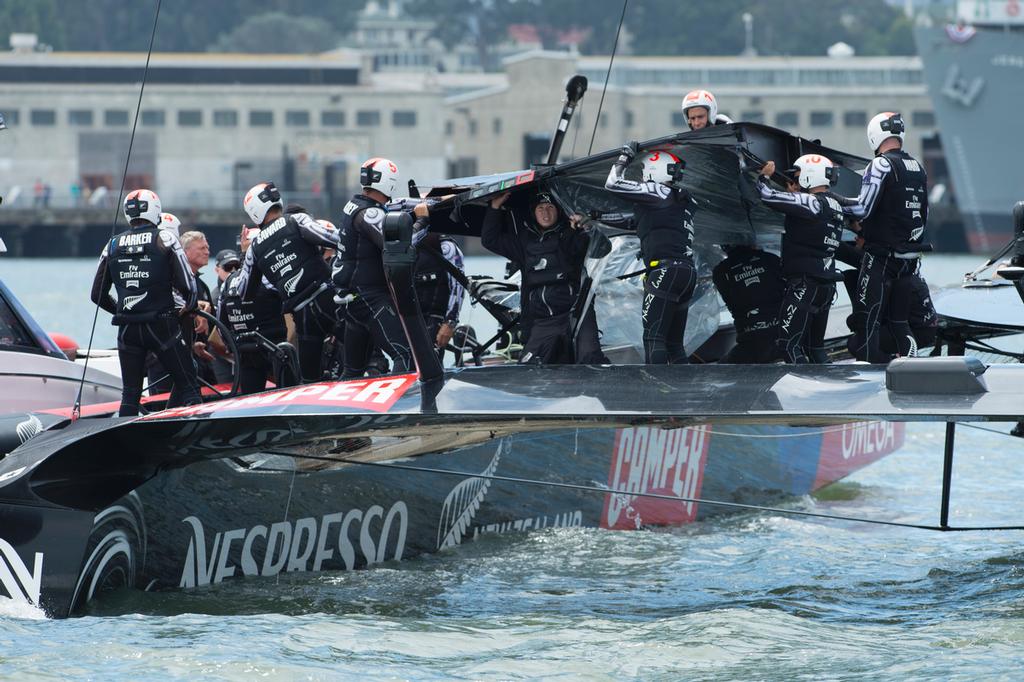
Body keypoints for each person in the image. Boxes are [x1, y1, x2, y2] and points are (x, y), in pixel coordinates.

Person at [90, 189, 201, 416]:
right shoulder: (165, 238)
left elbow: (97, 294)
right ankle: (196, 442)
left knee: (130, 395)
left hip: (127, 330)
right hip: (162, 326)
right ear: (156, 210)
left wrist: (125, 310)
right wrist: (183, 312)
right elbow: (189, 289)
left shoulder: (112, 244)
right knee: (189, 387)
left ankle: (125, 446)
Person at [842, 112, 929, 363]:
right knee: (900, 323)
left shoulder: (880, 164)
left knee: (866, 326)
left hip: (881, 260)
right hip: (908, 260)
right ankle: (907, 369)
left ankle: (873, 384)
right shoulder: (918, 167)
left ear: (874, 135)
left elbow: (862, 209)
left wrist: (830, 203)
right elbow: (924, 214)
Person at [235, 181, 340, 382]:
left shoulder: (254, 249)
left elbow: (244, 292)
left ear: (254, 211)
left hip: (303, 317)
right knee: (362, 350)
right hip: (329, 300)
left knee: (310, 380)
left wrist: (244, 253)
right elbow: (335, 238)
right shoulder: (296, 220)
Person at [482, 191, 600, 364]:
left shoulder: (570, 234)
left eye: (551, 207)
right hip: (543, 321)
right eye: (541, 208)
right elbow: (490, 240)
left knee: (590, 360)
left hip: (575, 315)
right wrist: (494, 207)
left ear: (558, 211)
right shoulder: (524, 242)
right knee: (529, 369)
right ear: (533, 212)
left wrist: (585, 228)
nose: (546, 213)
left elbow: (597, 246)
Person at [605, 143, 697, 364]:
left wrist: (624, 156)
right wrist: (595, 216)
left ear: (652, 170)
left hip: (664, 272)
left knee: (654, 338)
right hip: (686, 273)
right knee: (675, 345)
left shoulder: (658, 190)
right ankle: (686, 392)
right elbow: (639, 222)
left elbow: (612, 183)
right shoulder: (681, 199)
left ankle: (657, 395)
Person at [333, 157, 424, 378]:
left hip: (351, 298)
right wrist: (423, 220)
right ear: (389, 182)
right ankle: (402, 408)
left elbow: (388, 222)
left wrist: (411, 214)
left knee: (353, 370)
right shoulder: (369, 213)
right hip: (368, 297)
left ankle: (341, 411)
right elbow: (398, 246)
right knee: (405, 354)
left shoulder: (355, 205)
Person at [756, 156, 845, 364]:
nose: (794, 182)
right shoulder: (835, 205)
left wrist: (764, 176)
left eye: (797, 176)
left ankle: (800, 394)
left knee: (789, 346)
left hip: (804, 285)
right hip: (826, 286)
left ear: (808, 175)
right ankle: (824, 391)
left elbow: (766, 195)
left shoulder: (810, 201)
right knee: (815, 349)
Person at [217, 226, 294, 394]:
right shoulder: (271, 276)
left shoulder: (228, 282)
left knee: (250, 399)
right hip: (275, 350)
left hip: (245, 353)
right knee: (288, 395)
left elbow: (221, 324)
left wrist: (232, 346)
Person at [712, 244, 785, 363]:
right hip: (782, 338)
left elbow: (731, 302)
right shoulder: (771, 259)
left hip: (750, 343)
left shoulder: (721, 272)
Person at [415, 232, 465, 361]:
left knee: (429, 364)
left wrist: (450, 323)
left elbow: (458, 285)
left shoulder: (446, 246)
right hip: (407, 318)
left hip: (434, 319)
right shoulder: (396, 244)